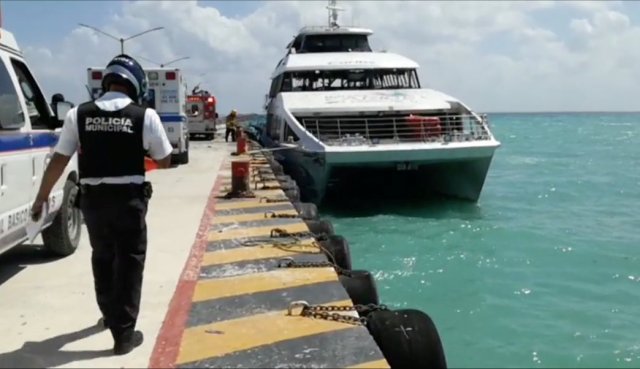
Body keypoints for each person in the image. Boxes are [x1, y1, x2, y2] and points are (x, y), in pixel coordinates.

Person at [30, 54, 173, 356]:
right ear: (135, 85)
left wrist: (41, 197)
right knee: (130, 262)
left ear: (106, 82)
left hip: (93, 202)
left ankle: (110, 314)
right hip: (129, 201)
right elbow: (164, 158)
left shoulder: (78, 115)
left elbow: (60, 159)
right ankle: (124, 335)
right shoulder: (144, 115)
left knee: (103, 257)